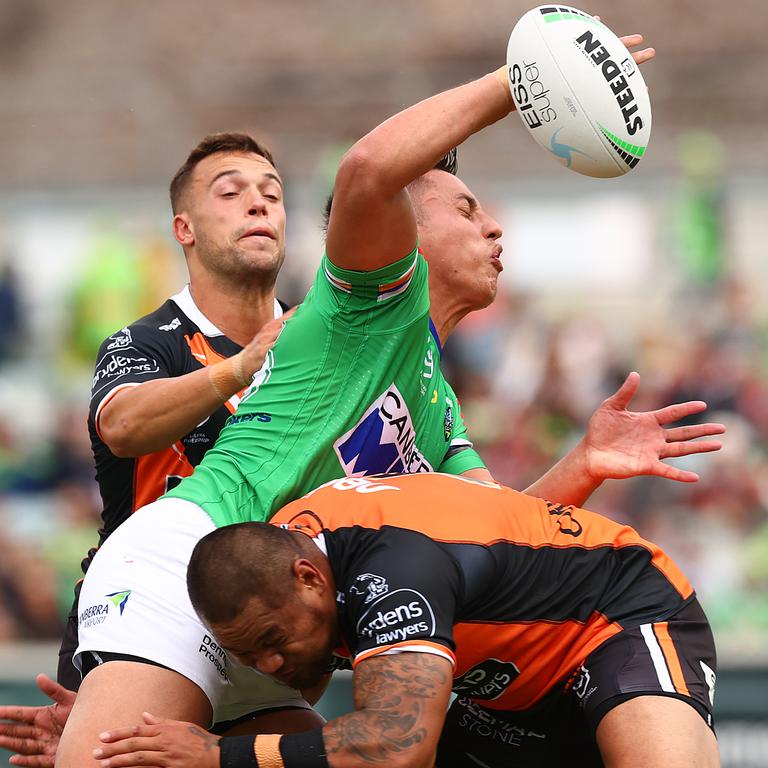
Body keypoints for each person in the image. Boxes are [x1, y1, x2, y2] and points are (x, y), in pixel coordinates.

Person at [4, 35, 723, 768]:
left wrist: (588, 461)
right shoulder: (368, 303)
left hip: (289, 618)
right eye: (469, 208)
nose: (494, 226)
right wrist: (527, 82)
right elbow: (371, 168)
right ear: (408, 232)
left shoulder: (436, 400)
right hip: (194, 561)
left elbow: (490, 537)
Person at [89, 472, 720, 768]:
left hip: (614, 621)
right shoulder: (284, 573)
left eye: (274, 644)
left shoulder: (389, 577)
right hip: (489, 685)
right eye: (253, 655)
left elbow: (396, 747)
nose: (272, 666)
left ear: (311, 578)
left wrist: (217, 756)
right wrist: (106, 723)